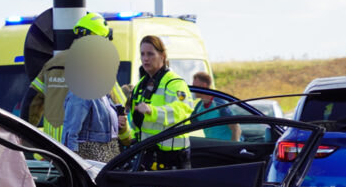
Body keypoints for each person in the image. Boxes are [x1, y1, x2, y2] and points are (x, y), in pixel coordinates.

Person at [26, 12, 129, 144]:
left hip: (52, 152)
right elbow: (119, 109)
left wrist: (26, 140)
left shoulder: (53, 64)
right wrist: (127, 140)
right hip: (83, 154)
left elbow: (32, 102)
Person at [129, 35, 194, 169]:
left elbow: (182, 110)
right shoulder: (140, 85)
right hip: (147, 155)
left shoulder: (174, 83)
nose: (145, 58)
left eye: (150, 54)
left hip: (173, 158)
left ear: (162, 56)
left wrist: (151, 111)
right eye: (142, 54)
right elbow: (137, 124)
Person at [62, 88, 122, 162]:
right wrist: (71, 159)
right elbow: (70, 131)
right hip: (92, 153)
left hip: (108, 151)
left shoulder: (104, 94)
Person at [190, 70, 240, 142]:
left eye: (195, 86)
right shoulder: (199, 106)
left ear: (204, 85)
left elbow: (236, 128)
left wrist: (234, 146)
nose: (193, 90)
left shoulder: (219, 103)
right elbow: (189, 124)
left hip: (226, 147)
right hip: (213, 148)